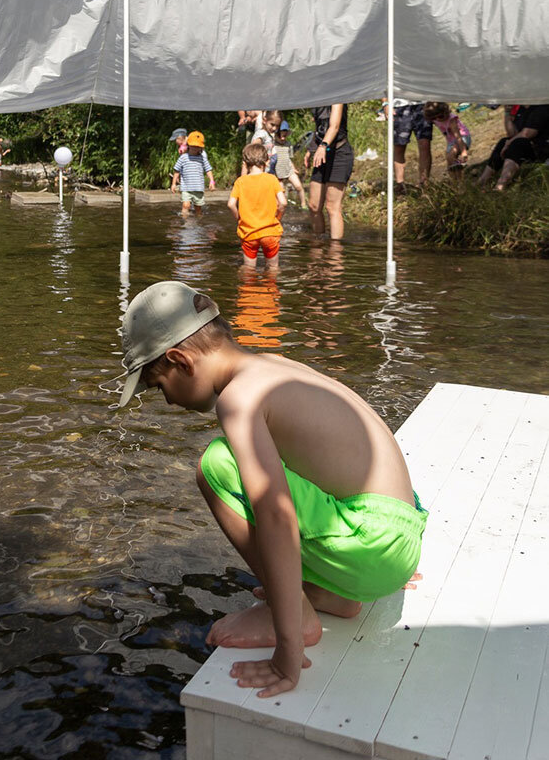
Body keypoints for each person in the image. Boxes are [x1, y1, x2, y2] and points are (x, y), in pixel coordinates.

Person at [117, 281, 426, 697]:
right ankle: (336, 591)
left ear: (180, 360)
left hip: (373, 548)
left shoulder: (238, 400)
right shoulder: (275, 366)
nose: (168, 402)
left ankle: (297, 614)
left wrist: (287, 647)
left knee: (216, 465)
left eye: (159, 387)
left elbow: (276, 514)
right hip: (400, 532)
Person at [227, 143, 287, 270]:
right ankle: (270, 288)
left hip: (249, 233)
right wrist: (278, 217)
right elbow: (283, 203)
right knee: (273, 267)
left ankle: (248, 289)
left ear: (245, 163)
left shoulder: (240, 182)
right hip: (270, 232)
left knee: (248, 268)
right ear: (267, 161)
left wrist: (239, 218)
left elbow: (231, 204)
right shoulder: (272, 179)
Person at [304, 104, 353, 241]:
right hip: (321, 152)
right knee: (314, 206)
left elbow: (334, 126)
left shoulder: (337, 98)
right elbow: (319, 129)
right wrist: (311, 149)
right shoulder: (319, 98)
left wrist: (323, 146)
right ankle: (318, 246)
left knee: (332, 206)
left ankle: (335, 252)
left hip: (339, 154)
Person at [477, 104, 549, 191]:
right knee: (503, 141)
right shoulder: (522, 109)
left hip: (542, 149)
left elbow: (528, 133)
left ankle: (501, 184)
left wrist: (508, 144)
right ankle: (483, 180)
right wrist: (507, 113)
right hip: (529, 147)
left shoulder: (541, 108)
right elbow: (512, 134)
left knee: (517, 143)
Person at [384, 99, 432, 189]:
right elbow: (383, 85)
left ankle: (424, 184)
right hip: (399, 105)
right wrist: (385, 104)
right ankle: (400, 185)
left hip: (422, 104)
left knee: (425, 144)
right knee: (399, 146)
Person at [171, 131, 216, 215]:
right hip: (186, 188)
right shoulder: (183, 158)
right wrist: (173, 183)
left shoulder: (202, 158)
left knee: (198, 208)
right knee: (186, 205)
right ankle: (185, 223)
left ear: (201, 148)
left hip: (198, 188)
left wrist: (212, 181)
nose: (195, 148)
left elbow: (208, 170)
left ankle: (198, 222)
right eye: (193, 146)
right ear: (188, 145)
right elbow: (177, 170)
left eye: (198, 147)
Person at [422, 102, 471, 172]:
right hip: (451, 141)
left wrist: (464, 152)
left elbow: (458, 137)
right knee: (449, 160)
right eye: (433, 118)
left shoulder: (451, 120)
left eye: (440, 116)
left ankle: (460, 166)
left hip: (463, 138)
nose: (438, 119)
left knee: (451, 155)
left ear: (445, 112)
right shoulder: (436, 119)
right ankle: (456, 180)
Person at [269, 120, 307, 208]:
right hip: (277, 172)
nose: (283, 139)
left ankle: (303, 204)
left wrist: (293, 168)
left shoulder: (288, 144)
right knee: (281, 192)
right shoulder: (273, 145)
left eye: (285, 136)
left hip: (288, 169)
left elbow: (288, 158)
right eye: (280, 136)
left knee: (299, 186)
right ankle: (281, 208)